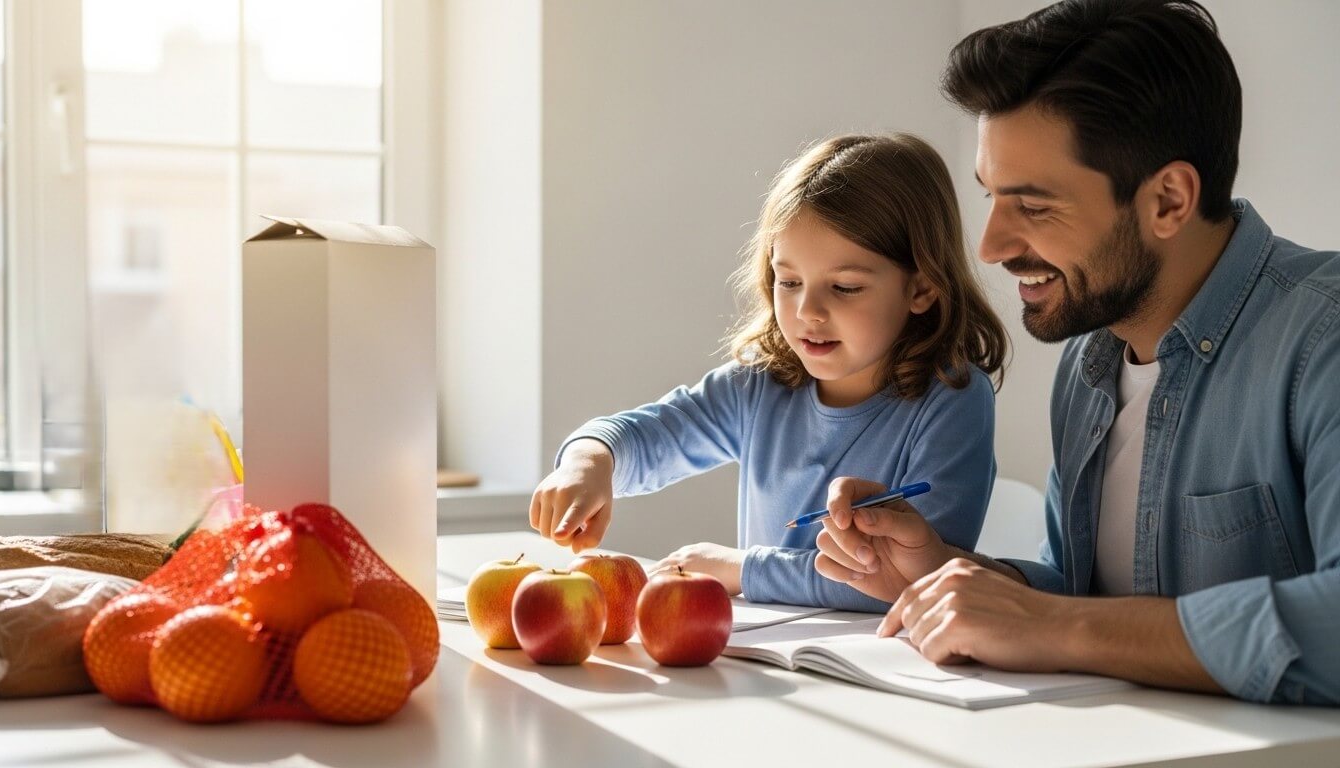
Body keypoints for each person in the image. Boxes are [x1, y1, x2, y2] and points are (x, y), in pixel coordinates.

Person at [815, 0, 1340, 704]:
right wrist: (940, 572)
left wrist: (1059, 626)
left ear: (1168, 201)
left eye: (1032, 207)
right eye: (992, 199)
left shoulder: (1323, 338)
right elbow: (1085, 592)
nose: (990, 248)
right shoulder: (1090, 364)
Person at [529, 132, 1007, 610]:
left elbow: (919, 579)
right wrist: (590, 460)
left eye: (844, 287)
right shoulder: (761, 384)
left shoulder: (954, 399)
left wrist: (742, 570)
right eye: (790, 280)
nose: (808, 310)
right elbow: (647, 434)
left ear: (921, 289)